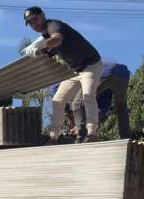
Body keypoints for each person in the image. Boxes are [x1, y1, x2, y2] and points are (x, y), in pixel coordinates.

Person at [22, 6, 103, 143]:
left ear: (42, 15)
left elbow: (57, 40)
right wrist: (37, 52)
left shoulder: (54, 25)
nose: (34, 24)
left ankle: (92, 134)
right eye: (30, 23)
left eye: (35, 19)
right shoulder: (46, 36)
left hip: (91, 66)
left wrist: (39, 46)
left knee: (88, 96)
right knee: (58, 101)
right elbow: (49, 51)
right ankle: (53, 137)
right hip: (75, 71)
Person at [49, 61, 131, 141]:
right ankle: (126, 139)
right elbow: (101, 108)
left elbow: (56, 94)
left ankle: (81, 138)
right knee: (121, 107)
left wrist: (77, 125)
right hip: (122, 74)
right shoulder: (99, 92)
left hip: (102, 72)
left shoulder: (66, 79)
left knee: (77, 103)